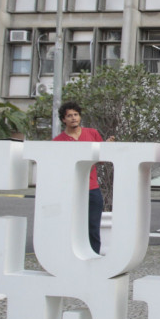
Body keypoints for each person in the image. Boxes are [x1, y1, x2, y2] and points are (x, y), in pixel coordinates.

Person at [52, 102, 113, 254]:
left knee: (93, 227)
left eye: (76, 115)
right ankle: (69, 256)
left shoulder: (92, 133)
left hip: (92, 188)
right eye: (69, 116)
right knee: (70, 226)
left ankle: (93, 257)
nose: (73, 118)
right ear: (63, 119)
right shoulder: (58, 142)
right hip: (70, 190)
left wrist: (107, 148)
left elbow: (102, 159)